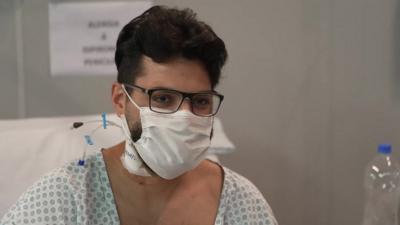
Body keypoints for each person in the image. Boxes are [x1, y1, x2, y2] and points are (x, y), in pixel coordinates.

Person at [1, 5, 277, 225]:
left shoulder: (241, 204)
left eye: (201, 101)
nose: (184, 116)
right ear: (121, 100)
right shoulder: (65, 200)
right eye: (163, 98)